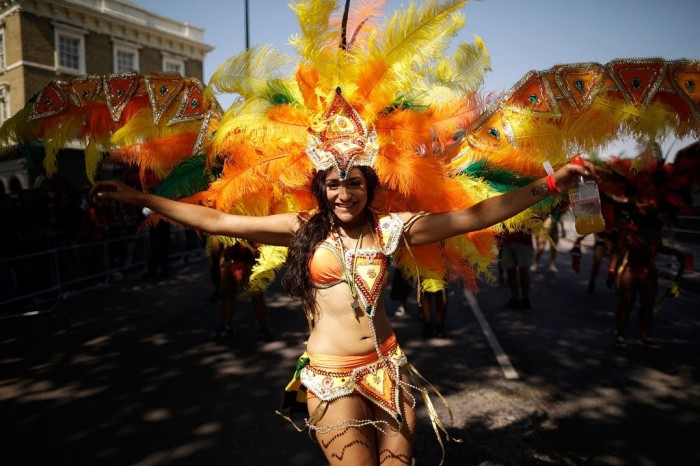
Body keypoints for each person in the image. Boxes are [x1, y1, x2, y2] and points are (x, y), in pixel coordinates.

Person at [91, 150, 592, 464]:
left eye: (354, 183)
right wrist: (141, 196)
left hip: (388, 369)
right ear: (321, 188)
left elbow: (472, 216)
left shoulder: (392, 229)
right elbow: (218, 220)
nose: (343, 192)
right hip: (331, 375)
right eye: (333, 183)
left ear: (370, 187)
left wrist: (550, 184)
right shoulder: (300, 228)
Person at [606, 198, 684, 349]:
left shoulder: (655, 228)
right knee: (626, 302)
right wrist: (612, 270)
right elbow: (619, 250)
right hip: (630, 268)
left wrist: (676, 253)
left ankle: (644, 336)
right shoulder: (628, 227)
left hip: (647, 269)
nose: (645, 206)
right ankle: (620, 335)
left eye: (649, 205)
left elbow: (659, 247)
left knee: (648, 304)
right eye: (642, 203)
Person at [213, 239, 271, 340]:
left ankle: (262, 327)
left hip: (250, 258)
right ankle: (227, 327)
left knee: (257, 295)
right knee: (227, 295)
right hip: (230, 258)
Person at [500, 230, 535, 311]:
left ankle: (525, 299)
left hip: (523, 242)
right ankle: (515, 298)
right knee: (510, 271)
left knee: (524, 271)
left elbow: (540, 217)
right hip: (508, 241)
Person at [531, 209, 566, 273]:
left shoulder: (558, 207)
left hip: (554, 229)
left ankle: (552, 265)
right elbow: (537, 217)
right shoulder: (544, 206)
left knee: (553, 249)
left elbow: (560, 219)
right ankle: (535, 263)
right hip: (543, 228)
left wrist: (563, 230)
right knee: (541, 248)